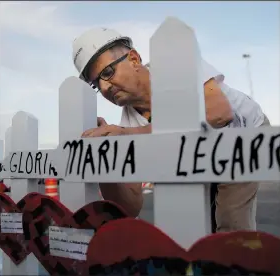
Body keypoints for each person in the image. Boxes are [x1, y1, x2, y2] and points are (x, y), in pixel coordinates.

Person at [72, 27, 270, 231]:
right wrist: (106, 159)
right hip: (199, 157)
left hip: (240, 135)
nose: (104, 88)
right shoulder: (130, 122)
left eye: (107, 72)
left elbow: (218, 114)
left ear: (133, 58)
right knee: (192, 226)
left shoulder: (174, 65)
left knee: (230, 223)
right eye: (96, 83)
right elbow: (131, 206)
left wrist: (128, 135)